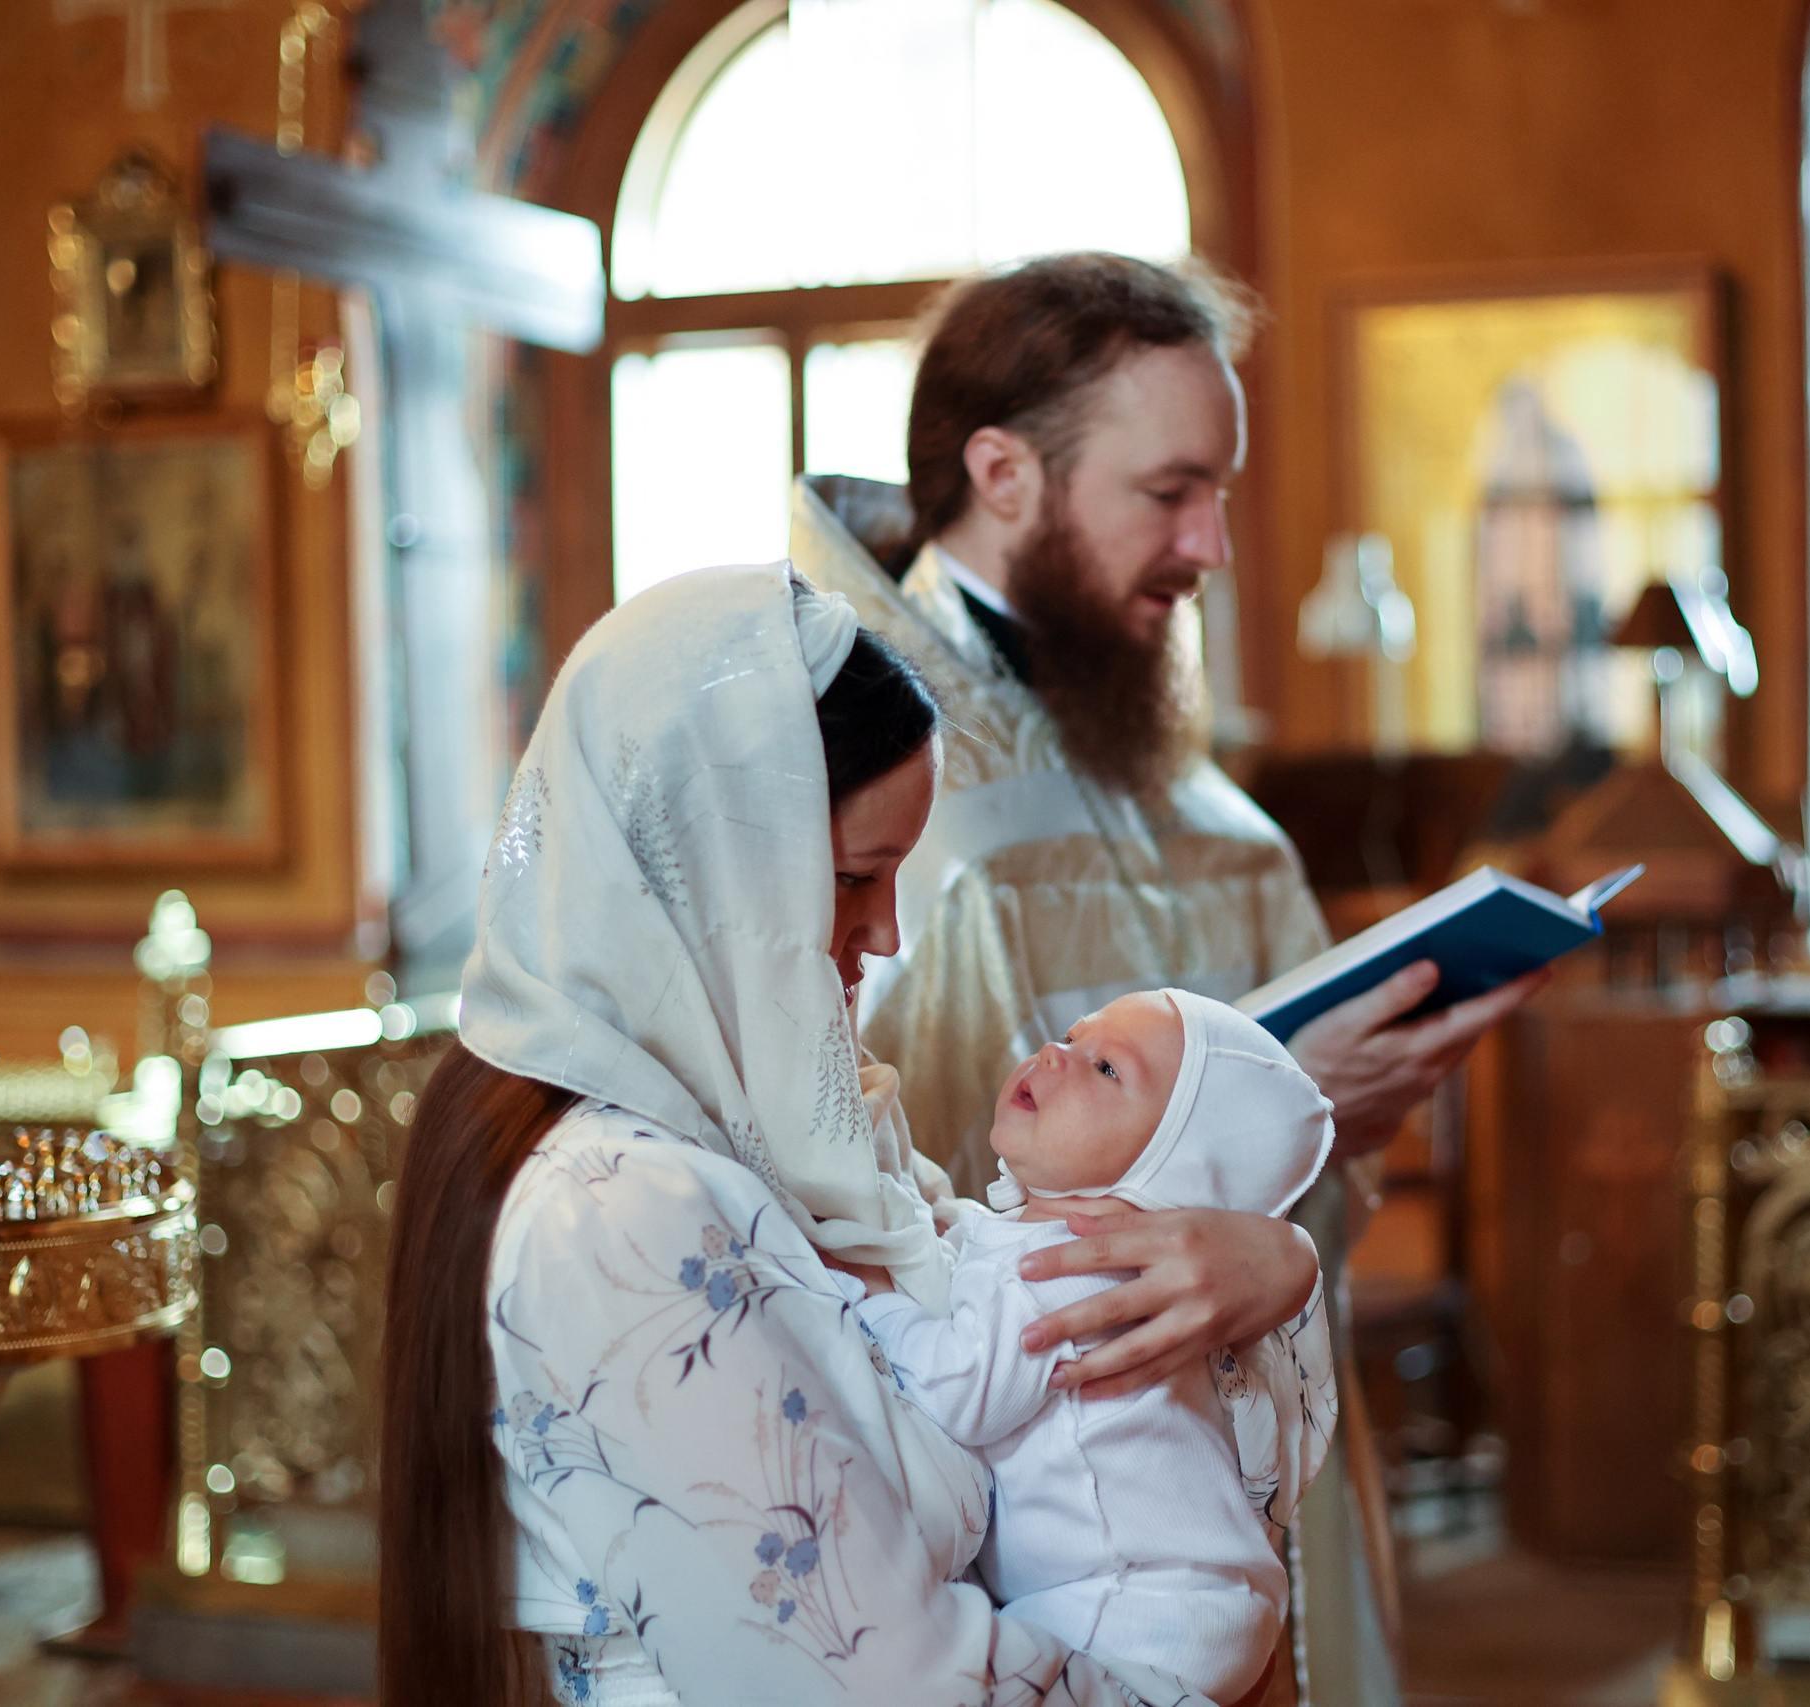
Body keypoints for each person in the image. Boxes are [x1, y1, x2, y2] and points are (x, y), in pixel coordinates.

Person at [794, 252, 1544, 1701]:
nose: (1211, 544)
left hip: (1226, 1496)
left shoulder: (1188, 790)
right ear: (1003, 473)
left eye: (1219, 493)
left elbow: (1294, 1202)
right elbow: (866, 1212)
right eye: (1169, 491)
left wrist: (1316, 1165)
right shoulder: (871, 784)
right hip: (1030, 1547)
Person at [377, 564, 1326, 1707]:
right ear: (708, 868)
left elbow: (1056, 1333)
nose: (883, 934)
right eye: (850, 879)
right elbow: (883, 1680)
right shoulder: (614, 1211)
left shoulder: (792, 1132)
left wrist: (1274, 1262)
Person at [854, 989, 1337, 1703]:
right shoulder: (1088, 1260)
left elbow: (960, 1388)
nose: (1055, 1054)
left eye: (1107, 1068)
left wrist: (873, 1298)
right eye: (1073, 1036)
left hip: (1134, 1609)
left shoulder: (1062, 1273)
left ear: (1168, 1168)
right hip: (1200, 1599)